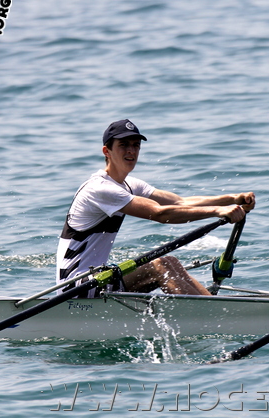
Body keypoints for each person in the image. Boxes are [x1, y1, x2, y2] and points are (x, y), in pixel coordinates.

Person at [57, 119, 255, 298]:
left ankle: (210, 306)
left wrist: (232, 199)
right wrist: (218, 212)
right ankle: (208, 315)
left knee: (171, 262)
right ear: (106, 151)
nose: (131, 151)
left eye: (136, 146)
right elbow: (160, 213)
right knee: (163, 266)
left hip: (99, 279)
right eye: (123, 145)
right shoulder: (100, 188)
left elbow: (180, 203)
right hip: (76, 288)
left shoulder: (128, 184)